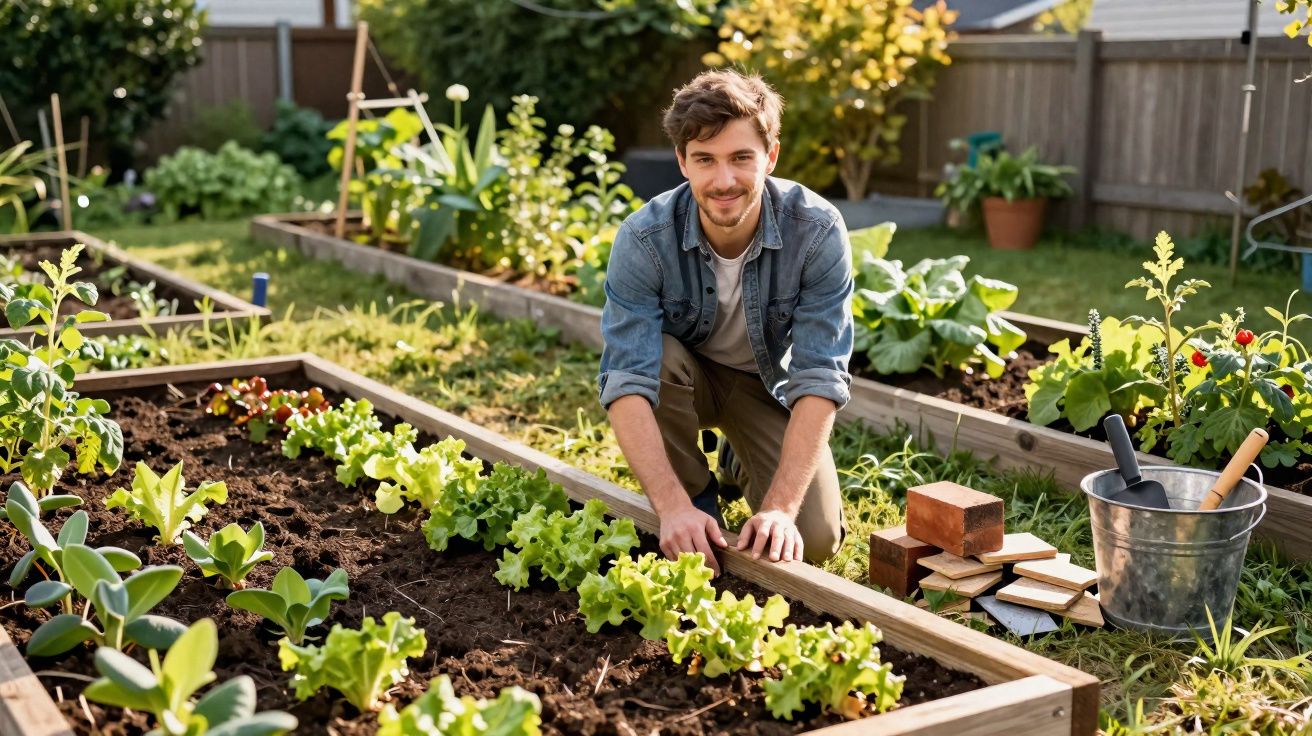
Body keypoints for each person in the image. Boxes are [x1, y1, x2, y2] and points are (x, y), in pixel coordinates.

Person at [597, 69, 853, 575]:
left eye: (741, 158)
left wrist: (781, 508)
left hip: (765, 386)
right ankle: (698, 497)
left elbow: (821, 377)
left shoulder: (817, 231)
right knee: (661, 360)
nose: (724, 181)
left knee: (814, 540)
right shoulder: (644, 239)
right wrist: (672, 508)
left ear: (771, 156)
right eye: (705, 160)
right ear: (682, 162)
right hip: (683, 379)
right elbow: (625, 382)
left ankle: (739, 457)